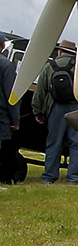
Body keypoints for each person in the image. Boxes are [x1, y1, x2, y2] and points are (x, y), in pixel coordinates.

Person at [34, 41, 78, 185]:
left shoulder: (49, 67)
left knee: (53, 143)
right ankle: (74, 178)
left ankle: (49, 177)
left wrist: (37, 111)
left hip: (55, 108)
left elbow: (40, 91)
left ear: (59, 52)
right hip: (77, 107)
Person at [0, 40, 22, 184]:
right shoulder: (6, 65)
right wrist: (16, 120)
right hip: (1, 116)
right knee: (5, 151)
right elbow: (11, 95)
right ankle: (4, 179)